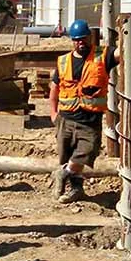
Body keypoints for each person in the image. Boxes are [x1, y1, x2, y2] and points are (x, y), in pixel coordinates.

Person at [49, 18, 119, 203]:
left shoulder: (102, 56)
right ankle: (76, 190)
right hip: (65, 118)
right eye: (76, 39)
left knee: (87, 152)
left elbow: (123, 53)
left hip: (89, 119)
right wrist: (53, 113)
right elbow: (55, 89)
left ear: (90, 37)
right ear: (72, 40)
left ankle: (64, 173)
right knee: (66, 155)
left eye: (83, 39)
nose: (80, 42)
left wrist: (125, 32)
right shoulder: (64, 61)